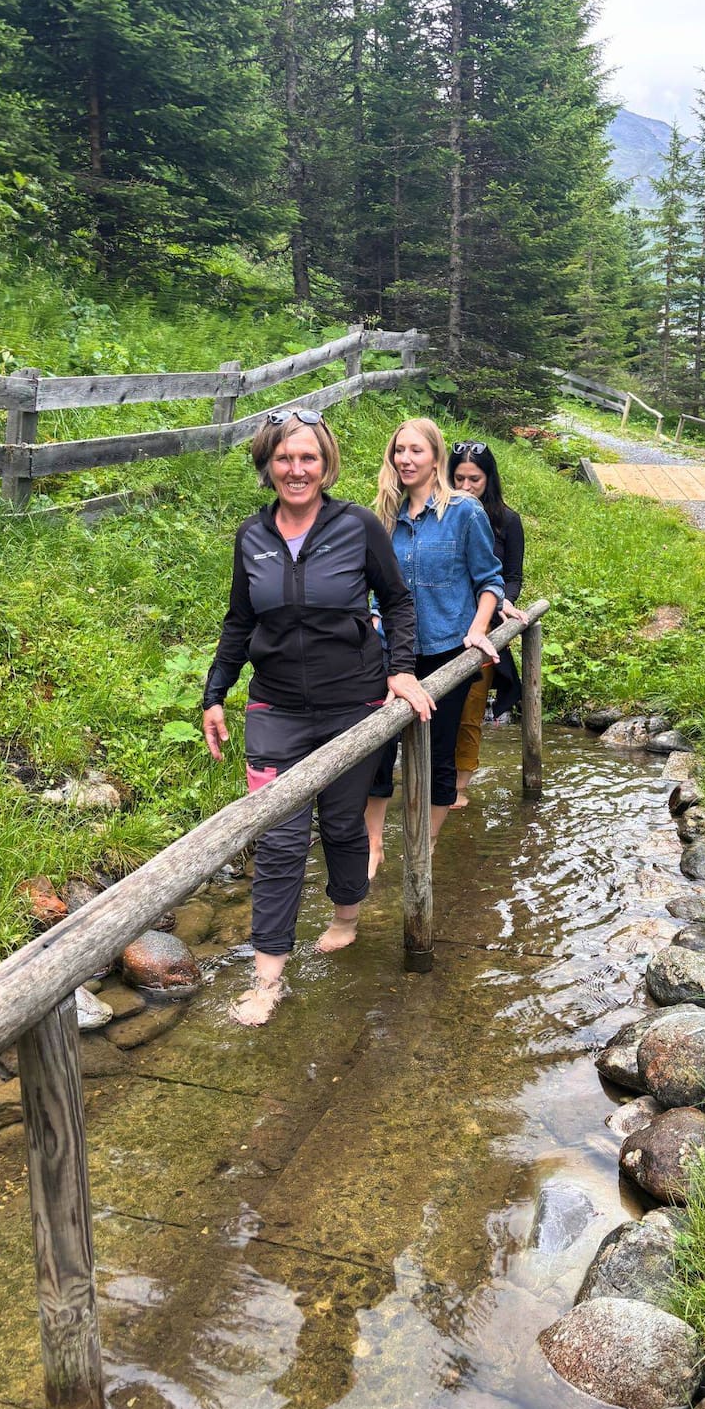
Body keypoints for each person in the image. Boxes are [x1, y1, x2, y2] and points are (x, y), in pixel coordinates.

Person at [202, 409, 434, 1026]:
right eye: (283, 458)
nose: (296, 469)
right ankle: (267, 977)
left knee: (341, 826)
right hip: (274, 707)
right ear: (267, 465)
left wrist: (400, 669)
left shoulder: (358, 527)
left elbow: (397, 601)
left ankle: (347, 912)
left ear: (326, 464)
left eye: (307, 458)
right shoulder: (251, 537)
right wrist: (215, 693)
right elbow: (239, 621)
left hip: (352, 705)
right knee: (277, 840)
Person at [365, 417, 520, 876]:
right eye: (399, 451)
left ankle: (426, 846)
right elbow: (377, 584)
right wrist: (374, 615)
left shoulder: (464, 512)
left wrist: (477, 629)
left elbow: (489, 580)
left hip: (447, 648)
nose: (405, 459)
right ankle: (373, 844)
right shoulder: (385, 516)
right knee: (377, 748)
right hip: (394, 651)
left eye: (416, 450)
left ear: (435, 458)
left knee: (439, 754)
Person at [448, 440, 525, 808]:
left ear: (488, 479)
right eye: (459, 479)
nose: (465, 487)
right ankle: (435, 777)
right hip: (442, 624)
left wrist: (503, 599)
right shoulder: (438, 517)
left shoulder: (507, 521)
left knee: (470, 709)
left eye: (473, 480)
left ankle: (459, 787)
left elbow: (512, 575)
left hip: (487, 626)